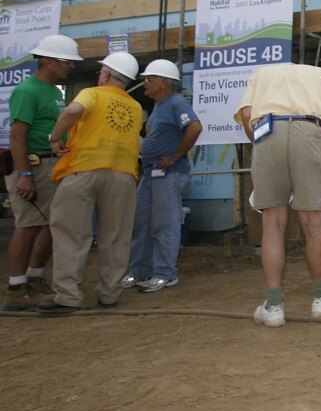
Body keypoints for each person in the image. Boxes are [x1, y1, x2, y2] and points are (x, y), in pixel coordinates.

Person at [235, 62, 321, 327]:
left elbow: (249, 114)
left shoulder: (261, 75)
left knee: (272, 224)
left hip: (268, 132)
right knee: (313, 224)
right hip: (310, 132)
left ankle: (273, 306)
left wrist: (261, 145)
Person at [37, 52, 144, 314]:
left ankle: (68, 296)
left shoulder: (93, 93)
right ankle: (110, 293)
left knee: (72, 234)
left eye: (101, 72)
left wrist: (55, 137)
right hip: (122, 175)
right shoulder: (135, 107)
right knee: (116, 236)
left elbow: (73, 110)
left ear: (106, 75)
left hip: (82, 170)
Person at [3, 35, 80, 311]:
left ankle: (34, 278)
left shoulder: (53, 91)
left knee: (50, 225)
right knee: (27, 225)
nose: (70, 66)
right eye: (66, 61)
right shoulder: (28, 91)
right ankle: (15, 287)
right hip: (33, 167)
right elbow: (17, 136)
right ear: (48, 61)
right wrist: (24, 175)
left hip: (50, 165)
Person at [121, 60, 201, 293]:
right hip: (151, 174)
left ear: (165, 83)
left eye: (150, 80)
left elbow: (194, 127)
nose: (144, 84)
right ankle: (139, 271)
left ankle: (165, 274)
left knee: (164, 224)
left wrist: (175, 156)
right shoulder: (159, 105)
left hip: (169, 173)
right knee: (142, 224)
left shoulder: (176, 103)